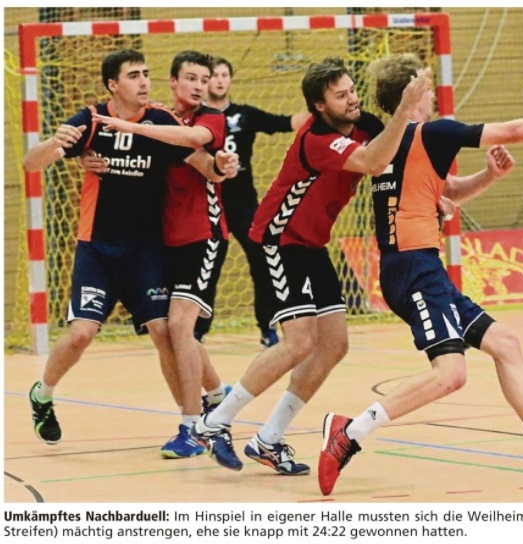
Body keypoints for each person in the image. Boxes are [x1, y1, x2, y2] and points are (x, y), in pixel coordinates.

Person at [317, 53, 523, 496]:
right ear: (416, 93)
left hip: (418, 268)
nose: (434, 94)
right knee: (451, 374)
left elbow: (449, 192)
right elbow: (513, 131)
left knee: (505, 345)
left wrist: (490, 175)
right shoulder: (432, 132)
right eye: (427, 85)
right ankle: (350, 432)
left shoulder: (388, 141)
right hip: (414, 268)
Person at [189, 56, 432, 474]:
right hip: (280, 240)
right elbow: (373, 162)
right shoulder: (317, 138)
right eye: (340, 95)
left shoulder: (365, 124)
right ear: (320, 106)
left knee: (335, 344)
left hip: (313, 244)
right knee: (299, 342)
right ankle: (214, 422)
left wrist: (433, 194)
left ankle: (268, 439)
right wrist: (407, 107)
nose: (352, 99)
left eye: (352, 90)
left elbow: (395, 160)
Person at [23, 49, 236, 457]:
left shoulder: (159, 120)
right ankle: (42, 394)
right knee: (82, 334)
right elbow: (31, 164)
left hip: (146, 253)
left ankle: (189, 425)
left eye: (146, 73)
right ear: (112, 85)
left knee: (165, 332)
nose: (143, 81)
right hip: (98, 249)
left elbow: (204, 164)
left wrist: (223, 165)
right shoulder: (90, 121)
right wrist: (54, 144)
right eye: (134, 75)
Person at [93, 51, 236, 456]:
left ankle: (192, 429)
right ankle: (217, 396)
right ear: (173, 81)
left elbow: (197, 146)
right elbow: (119, 147)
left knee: (180, 327)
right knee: (165, 333)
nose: (199, 86)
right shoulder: (156, 117)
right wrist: (90, 158)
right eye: (191, 78)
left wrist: (223, 166)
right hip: (160, 242)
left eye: (204, 79)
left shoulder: (210, 118)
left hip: (203, 236)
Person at [196, 57, 311, 348]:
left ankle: (267, 326)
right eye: (214, 75)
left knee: (263, 261)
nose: (219, 80)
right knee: (208, 266)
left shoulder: (244, 115)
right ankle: (197, 329)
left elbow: (286, 123)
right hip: (208, 202)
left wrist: (320, 103)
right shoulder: (198, 118)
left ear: (230, 79)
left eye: (225, 74)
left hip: (243, 204)